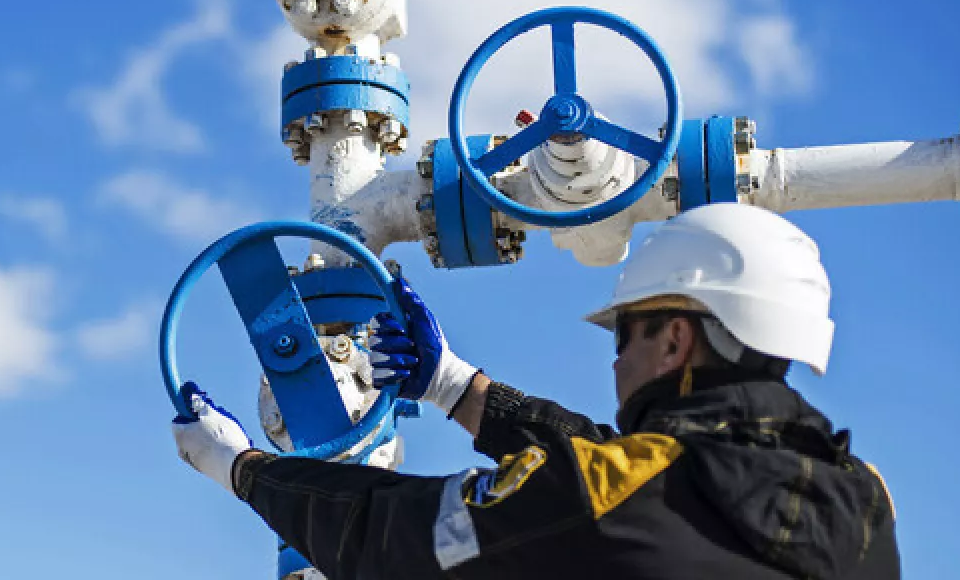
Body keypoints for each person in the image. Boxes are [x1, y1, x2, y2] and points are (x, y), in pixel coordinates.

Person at [173, 203, 900, 579]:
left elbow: (391, 538)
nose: (616, 364)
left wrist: (242, 469)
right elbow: (633, 479)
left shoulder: (619, 500)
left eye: (624, 335)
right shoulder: (862, 502)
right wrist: (454, 386)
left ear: (677, 340)